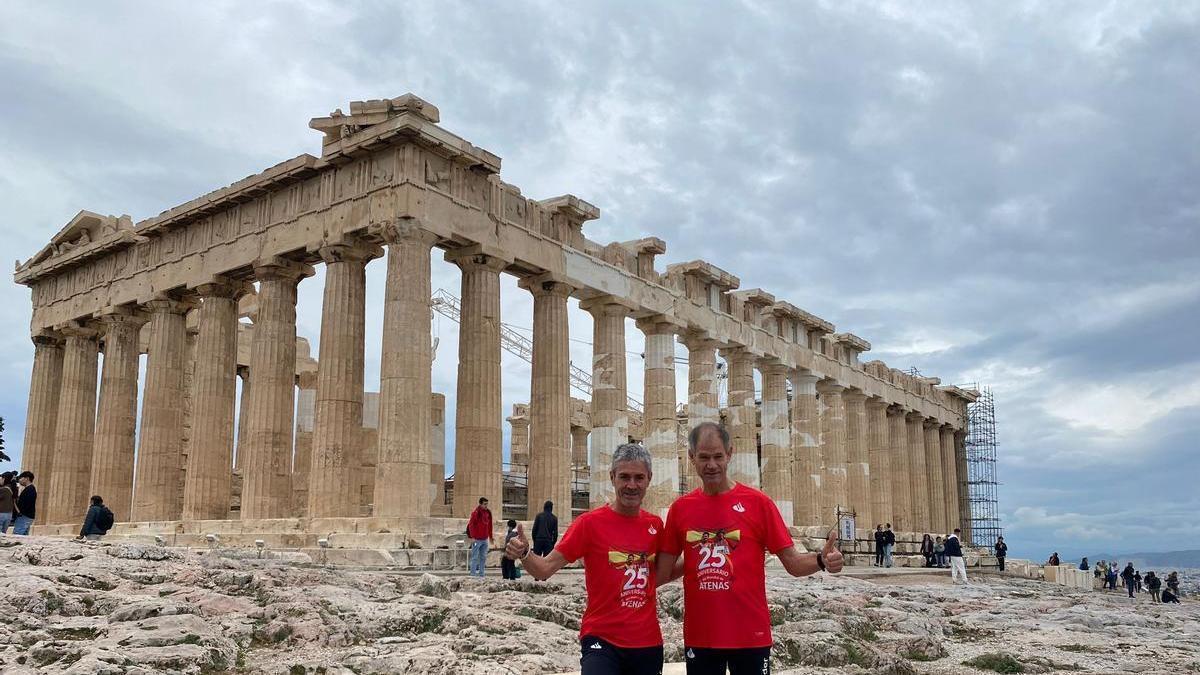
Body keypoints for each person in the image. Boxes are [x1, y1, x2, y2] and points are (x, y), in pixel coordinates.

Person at [655, 422, 843, 675]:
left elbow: (793, 563)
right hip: (702, 636)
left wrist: (821, 561)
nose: (711, 465)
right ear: (691, 458)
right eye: (704, 457)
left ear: (730, 454)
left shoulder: (758, 504)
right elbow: (663, 572)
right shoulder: (681, 510)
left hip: (750, 635)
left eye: (718, 456)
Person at [507, 443, 680, 675]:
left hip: (647, 641)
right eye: (624, 477)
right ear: (612, 477)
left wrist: (699, 555)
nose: (631, 485)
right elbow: (544, 570)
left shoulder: (655, 526)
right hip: (601, 639)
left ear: (649, 478)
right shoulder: (589, 524)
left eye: (638, 477)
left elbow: (658, 576)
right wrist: (525, 554)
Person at [466, 496, 493, 577]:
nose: (486, 506)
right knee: (474, 557)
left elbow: (490, 525)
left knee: (483, 557)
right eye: (484, 504)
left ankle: (482, 574)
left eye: (487, 504)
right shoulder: (475, 513)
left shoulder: (488, 512)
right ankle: (472, 574)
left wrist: (490, 536)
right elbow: (471, 525)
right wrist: (472, 537)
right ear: (480, 504)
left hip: (485, 539)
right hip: (476, 539)